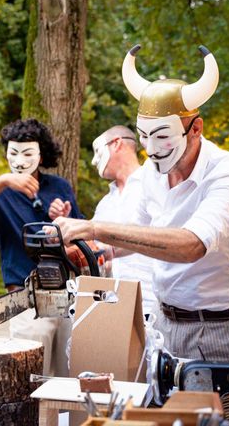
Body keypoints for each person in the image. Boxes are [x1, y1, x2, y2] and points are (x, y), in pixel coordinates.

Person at [55, 45, 229, 362]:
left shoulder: (228, 172)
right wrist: (93, 251)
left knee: (215, 412)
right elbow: (137, 233)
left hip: (217, 327)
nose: (150, 150)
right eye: (144, 136)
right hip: (164, 321)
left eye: (162, 136)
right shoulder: (152, 171)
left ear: (196, 128)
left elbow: (191, 245)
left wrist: (95, 228)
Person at [0, 118, 81, 376]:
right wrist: (2, 182)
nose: (20, 160)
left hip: (68, 296)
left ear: (41, 153)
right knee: (31, 379)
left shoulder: (59, 187)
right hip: (27, 301)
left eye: (27, 153)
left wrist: (64, 217)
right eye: (13, 152)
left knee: (68, 377)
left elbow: (81, 237)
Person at [90, 125, 157, 315]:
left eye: (97, 152)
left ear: (117, 143)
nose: (94, 161)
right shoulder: (105, 204)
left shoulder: (155, 183)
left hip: (156, 304)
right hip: (115, 306)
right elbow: (96, 251)